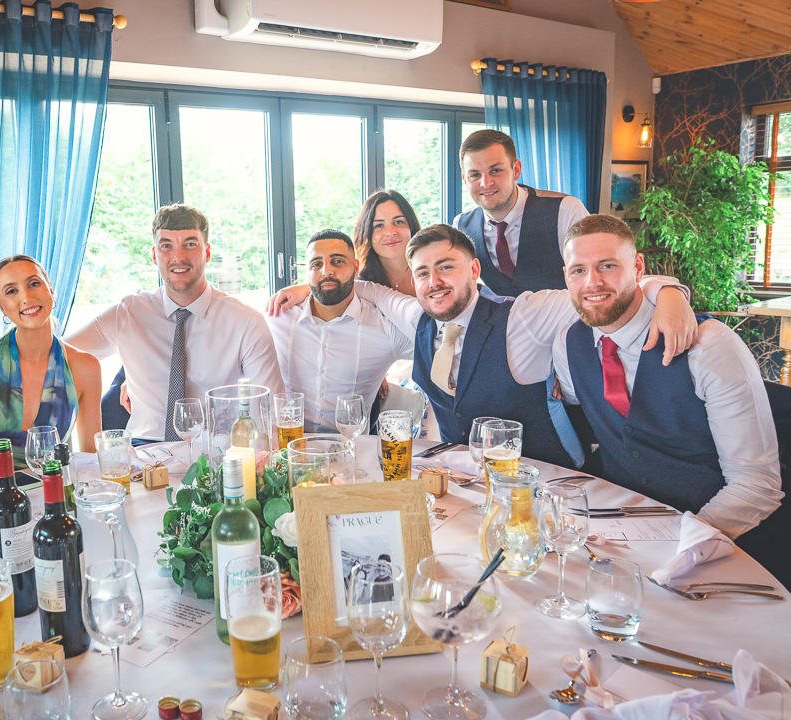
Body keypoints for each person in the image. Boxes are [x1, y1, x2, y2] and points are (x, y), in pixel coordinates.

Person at [268, 225, 697, 468]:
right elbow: (372, 291)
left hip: (547, 477)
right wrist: (314, 284)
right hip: (463, 479)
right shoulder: (419, 319)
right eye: (423, 274)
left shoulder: (523, 316)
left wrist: (667, 290)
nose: (434, 282)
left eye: (446, 267)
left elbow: (596, 290)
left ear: (474, 269)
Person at [553, 215, 786, 580]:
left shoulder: (711, 347)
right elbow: (575, 402)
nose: (592, 282)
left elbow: (756, 485)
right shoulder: (569, 344)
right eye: (578, 270)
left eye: (608, 266)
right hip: (620, 538)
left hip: (721, 546)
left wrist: (679, 547)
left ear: (638, 267)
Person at [65, 203, 284, 442]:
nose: (178, 257)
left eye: (190, 244)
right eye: (166, 246)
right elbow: (53, 354)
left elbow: (268, 416)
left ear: (207, 252)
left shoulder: (246, 323)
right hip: (142, 451)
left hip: (214, 450)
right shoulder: (127, 314)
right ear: (154, 255)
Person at [0, 255, 102, 462]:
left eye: (34, 284)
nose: (27, 297)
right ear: (1, 307)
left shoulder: (85, 366)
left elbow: (91, 458)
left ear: (50, 290)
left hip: (56, 481)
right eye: (11, 291)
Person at [265, 230, 413, 431]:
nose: (326, 271)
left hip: (352, 446)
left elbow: (439, 344)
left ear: (355, 267)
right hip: (288, 443)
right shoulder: (277, 318)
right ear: (306, 271)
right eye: (316, 264)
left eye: (337, 261)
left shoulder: (384, 328)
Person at [453, 129, 589, 296]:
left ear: (516, 170)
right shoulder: (461, 226)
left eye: (496, 170)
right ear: (465, 180)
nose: (486, 183)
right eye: (475, 175)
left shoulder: (566, 211)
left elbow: (592, 279)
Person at [353, 190, 421, 296]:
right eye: (379, 225)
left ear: (412, 227)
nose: (390, 232)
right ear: (366, 234)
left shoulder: (433, 270)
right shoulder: (360, 285)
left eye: (398, 222)